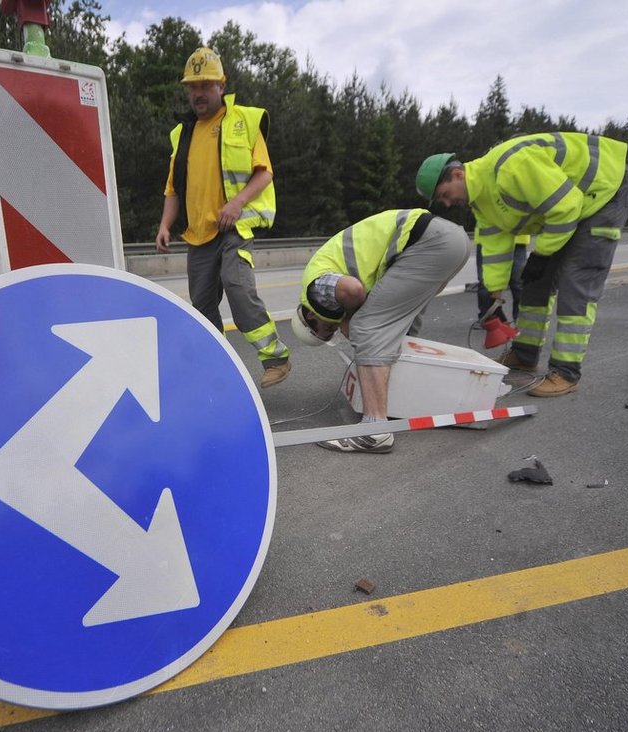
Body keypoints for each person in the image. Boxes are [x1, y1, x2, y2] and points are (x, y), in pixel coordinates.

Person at [416, 132, 628, 396]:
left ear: (457, 175)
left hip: (605, 190)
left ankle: (566, 372)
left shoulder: (511, 166)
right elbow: (496, 246)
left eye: (444, 195)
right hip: (569, 210)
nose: (448, 203)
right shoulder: (483, 201)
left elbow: (566, 206)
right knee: (533, 282)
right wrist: (495, 295)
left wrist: (541, 255)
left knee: (576, 283)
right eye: (442, 201)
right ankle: (525, 354)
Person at [155, 47, 290, 388]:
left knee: (237, 285)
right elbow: (173, 189)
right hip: (197, 236)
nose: (198, 93)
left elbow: (264, 173)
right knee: (201, 309)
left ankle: (276, 358)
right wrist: (165, 225)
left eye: (205, 85)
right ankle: (218, 370)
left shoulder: (243, 121)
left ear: (221, 85)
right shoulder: (181, 133)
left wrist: (237, 204)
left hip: (233, 228)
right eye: (192, 87)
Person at [291, 209, 470, 453]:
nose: (332, 331)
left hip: (426, 242)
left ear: (310, 317)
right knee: (397, 330)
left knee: (368, 326)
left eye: (325, 331)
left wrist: (351, 321)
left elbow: (352, 290)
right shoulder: (324, 274)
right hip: (450, 240)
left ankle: (374, 431)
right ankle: (396, 401)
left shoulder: (314, 290)